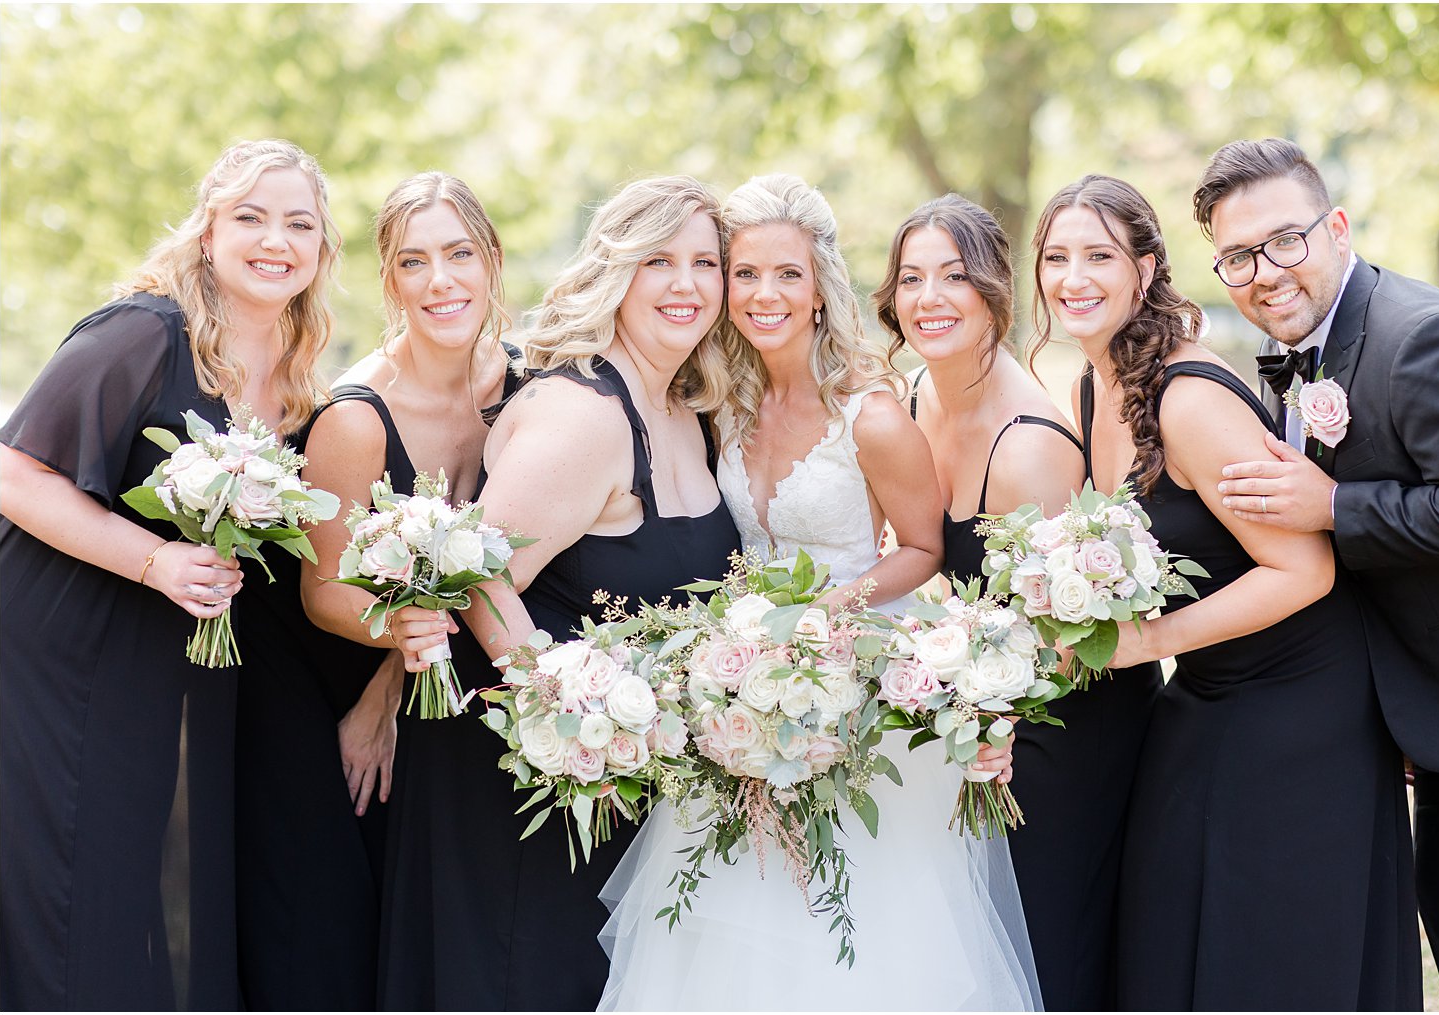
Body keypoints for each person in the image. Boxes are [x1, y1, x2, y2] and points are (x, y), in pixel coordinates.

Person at [595, 175, 1040, 1012]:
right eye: (747, 274)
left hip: (859, 692)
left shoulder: (868, 415)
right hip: (741, 694)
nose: (765, 295)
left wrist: (826, 616)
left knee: (851, 949)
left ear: (819, 289)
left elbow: (923, 547)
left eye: (787, 275)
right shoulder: (718, 404)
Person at [1028, 174, 1419, 1009]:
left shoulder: (1190, 398)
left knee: (1263, 951)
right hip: (1210, 690)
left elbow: (1304, 570)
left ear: (1145, 269)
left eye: (1098, 255)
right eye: (1056, 258)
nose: (1074, 278)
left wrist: (1144, 643)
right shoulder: (1093, 387)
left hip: (1300, 699)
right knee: (1171, 932)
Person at [382, 175, 741, 1011]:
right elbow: (477, 572)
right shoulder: (584, 411)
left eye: (704, 263)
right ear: (617, 268)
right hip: (526, 779)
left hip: (612, 782)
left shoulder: (686, 407)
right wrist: (565, 713)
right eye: (659, 260)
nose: (684, 284)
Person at [0, 138, 340, 1010]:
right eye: (251, 218)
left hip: (180, 658)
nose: (277, 240)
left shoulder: (301, 381)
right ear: (207, 231)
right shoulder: (142, 333)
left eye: (299, 223)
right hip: (73, 646)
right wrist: (154, 560)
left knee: (164, 886)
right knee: (87, 880)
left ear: (321, 249)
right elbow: (13, 474)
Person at [1194, 137, 1439, 1011]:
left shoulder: (1425, 336)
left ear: (1336, 227)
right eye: (1238, 256)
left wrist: (1335, 506)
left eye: (1284, 240)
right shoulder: (1306, 356)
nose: (1265, 272)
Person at [233, 172, 515, 1009]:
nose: (442, 281)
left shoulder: (527, 390)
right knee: (337, 944)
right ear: (389, 281)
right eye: (414, 261)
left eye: (460, 254)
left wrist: (394, 687)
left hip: (415, 678)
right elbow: (325, 595)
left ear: (493, 260)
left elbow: (477, 582)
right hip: (322, 685)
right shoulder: (356, 417)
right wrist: (379, 685)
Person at [875, 192, 1159, 1011]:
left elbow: (1076, 629)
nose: (929, 298)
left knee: (1044, 952)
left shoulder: (1029, 446)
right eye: (910, 279)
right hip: (995, 710)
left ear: (995, 286)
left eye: (954, 276)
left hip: (1066, 723)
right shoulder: (925, 400)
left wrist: (985, 718)